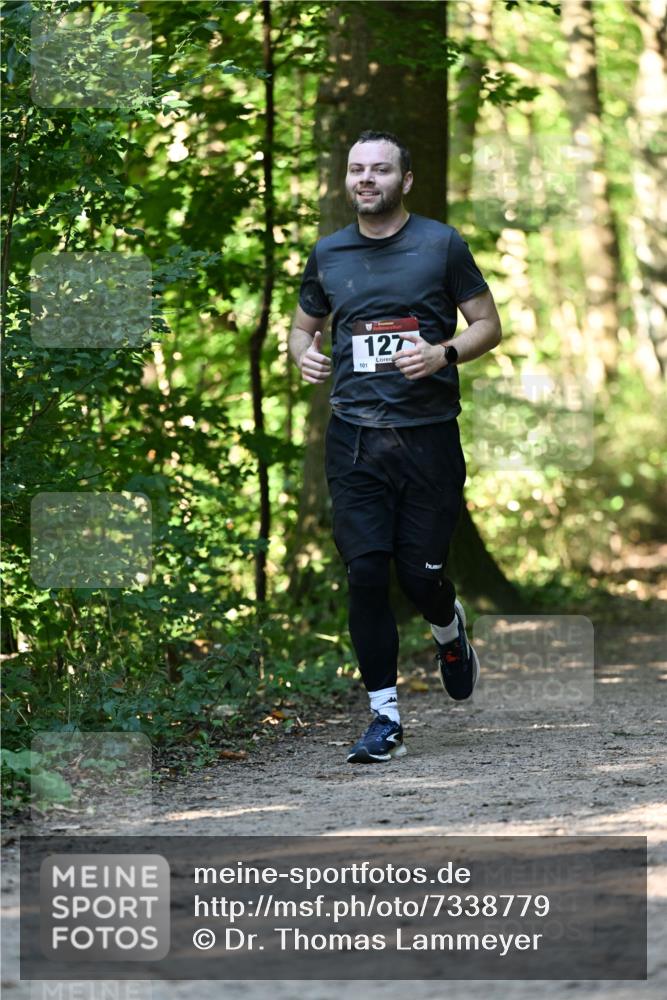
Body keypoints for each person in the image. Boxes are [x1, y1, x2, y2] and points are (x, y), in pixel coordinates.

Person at [289, 130, 502, 764]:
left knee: (421, 576)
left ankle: (448, 626)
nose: (366, 179)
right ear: (346, 179)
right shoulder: (328, 253)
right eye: (357, 170)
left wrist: (444, 352)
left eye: (380, 170)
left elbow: (489, 323)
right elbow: (303, 328)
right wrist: (304, 355)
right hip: (354, 439)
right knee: (363, 575)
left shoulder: (441, 245)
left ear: (404, 180)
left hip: (428, 437)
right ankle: (385, 719)